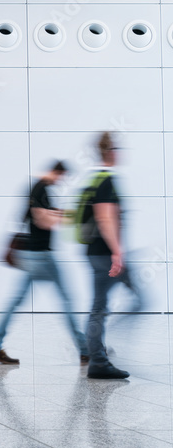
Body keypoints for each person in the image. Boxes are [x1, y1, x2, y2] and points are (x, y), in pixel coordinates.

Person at [0, 161, 88, 365]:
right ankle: (85, 350)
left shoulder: (36, 187)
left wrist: (57, 213)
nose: (62, 181)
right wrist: (68, 217)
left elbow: (35, 216)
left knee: (15, 302)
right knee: (67, 300)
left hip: (33, 255)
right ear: (57, 173)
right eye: (62, 177)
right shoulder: (42, 187)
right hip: (41, 256)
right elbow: (42, 220)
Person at [82, 132, 140, 379]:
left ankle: (98, 350)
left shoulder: (95, 180)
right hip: (105, 254)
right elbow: (106, 218)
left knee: (102, 307)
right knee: (101, 308)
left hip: (98, 253)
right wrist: (117, 252)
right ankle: (98, 357)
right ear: (111, 152)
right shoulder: (106, 180)